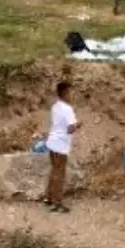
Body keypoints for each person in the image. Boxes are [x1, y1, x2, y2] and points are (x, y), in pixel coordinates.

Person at [44, 81, 79, 214]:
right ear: (65, 93)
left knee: (54, 171)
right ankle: (57, 203)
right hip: (60, 145)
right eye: (71, 92)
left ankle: (49, 198)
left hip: (52, 143)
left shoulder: (55, 106)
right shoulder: (67, 109)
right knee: (59, 174)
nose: (72, 95)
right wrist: (78, 125)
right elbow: (70, 129)